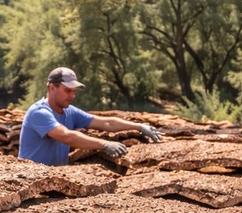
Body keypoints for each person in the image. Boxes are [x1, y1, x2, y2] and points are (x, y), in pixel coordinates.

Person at [18, 66, 161, 165]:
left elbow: (106, 123)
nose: (72, 96)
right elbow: (67, 136)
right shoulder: (39, 112)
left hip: (52, 180)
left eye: (74, 91)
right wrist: (105, 144)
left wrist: (138, 126)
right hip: (31, 180)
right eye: (67, 91)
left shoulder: (69, 112)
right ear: (52, 87)